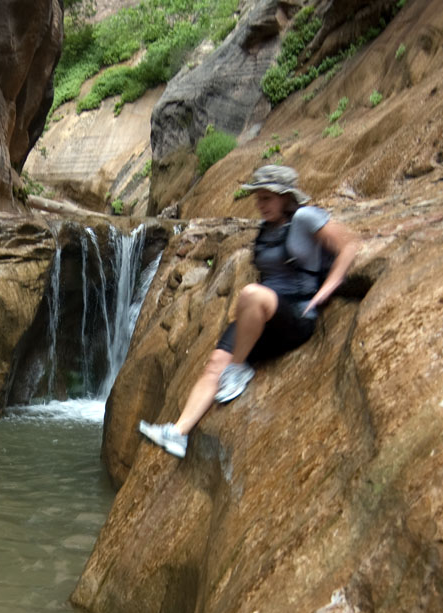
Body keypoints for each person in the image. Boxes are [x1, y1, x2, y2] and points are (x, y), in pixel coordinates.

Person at [139, 164, 358, 458]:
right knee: (215, 362)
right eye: (258, 197)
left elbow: (349, 245)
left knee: (251, 295)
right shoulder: (266, 230)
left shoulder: (305, 218)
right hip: (266, 314)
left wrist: (326, 290)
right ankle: (178, 432)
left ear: (285, 197)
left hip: (295, 314)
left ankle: (238, 368)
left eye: (267, 197)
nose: (261, 204)